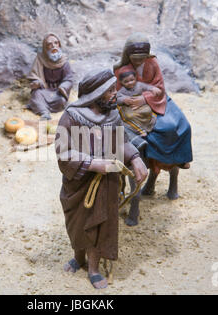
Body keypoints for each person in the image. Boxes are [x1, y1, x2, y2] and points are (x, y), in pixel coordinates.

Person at [55, 69, 148, 289]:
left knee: (100, 224)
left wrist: (135, 158)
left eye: (114, 89)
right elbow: (62, 151)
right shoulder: (71, 116)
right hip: (78, 183)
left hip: (107, 183)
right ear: (96, 94)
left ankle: (94, 268)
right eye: (110, 91)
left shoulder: (113, 115)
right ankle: (79, 258)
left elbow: (121, 142)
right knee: (78, 223)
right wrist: (93, 163)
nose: (115, 94)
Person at [114, 32, 193, 201]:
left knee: (178, 126)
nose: (138, 62)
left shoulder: (153, 63)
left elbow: (159, 87)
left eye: (141, 58)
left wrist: (145, 98)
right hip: (130, 107)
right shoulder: (121, 69)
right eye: (135, 58)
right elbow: (116, 91)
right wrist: (127, 100)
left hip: (154, 101)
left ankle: (179, 161)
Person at [27, 33, 74, 120]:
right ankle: (44, 112)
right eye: (49, 44)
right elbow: (34, 76)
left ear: (59, 44)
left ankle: (48, 108)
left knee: (61, 101)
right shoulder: (40, 59)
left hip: (57, 91)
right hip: (44, 90)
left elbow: (69, 79)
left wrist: (63, 87)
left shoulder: (64, 61)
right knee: (36, 95)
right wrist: (37, 83)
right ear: (45, 47)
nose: (53, 46)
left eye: (56, 43)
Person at [116, 70, 160, 153]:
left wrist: (153, 89)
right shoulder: (122, 90)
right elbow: (117, 98)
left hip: (140, 105)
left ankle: (148, 126)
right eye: (126, 81)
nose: (129, 83)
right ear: (121, 82)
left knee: (147, 111)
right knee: (129, 116)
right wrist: (124, 100)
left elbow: (148, 87)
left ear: (135, 78)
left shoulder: (139, 85)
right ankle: (139, 130)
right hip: (129, 107)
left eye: (131, 80)